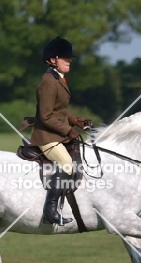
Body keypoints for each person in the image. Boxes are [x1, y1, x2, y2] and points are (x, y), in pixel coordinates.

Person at [30, 36, 90, 225]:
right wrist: (68, 130)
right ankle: (50, 210)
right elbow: (46, 115)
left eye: (69, 58)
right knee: (66, 164)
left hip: (56, 134)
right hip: (46, 136)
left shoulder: (58, 79)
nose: (69, 60)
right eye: (65, 58)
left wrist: (76, 121)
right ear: (52, 60)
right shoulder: (48, 82)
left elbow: (60, 110)